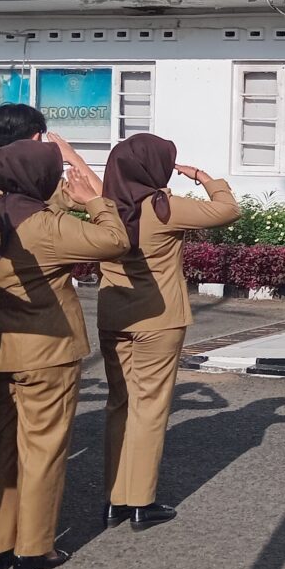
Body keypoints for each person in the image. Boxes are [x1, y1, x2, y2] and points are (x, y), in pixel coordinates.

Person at [0, 140, 128, 569]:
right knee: (42, 447)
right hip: (46, 350)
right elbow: (115, 241)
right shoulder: (46, 225)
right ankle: (34, 547)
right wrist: (95, 201)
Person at [96, 134, 239, 530]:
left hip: (113, 316)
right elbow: (228, 210)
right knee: (150, 409)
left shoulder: (104, 207)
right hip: (159, 321)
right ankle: (140, 502)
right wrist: (204, 177)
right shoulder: (164, 208)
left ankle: (114, 500)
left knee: (119, 405)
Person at [0, 103, 78, 514]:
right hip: (36, 308)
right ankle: (28, 507)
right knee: (37, 417)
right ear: (40, 137)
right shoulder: (44, 183)